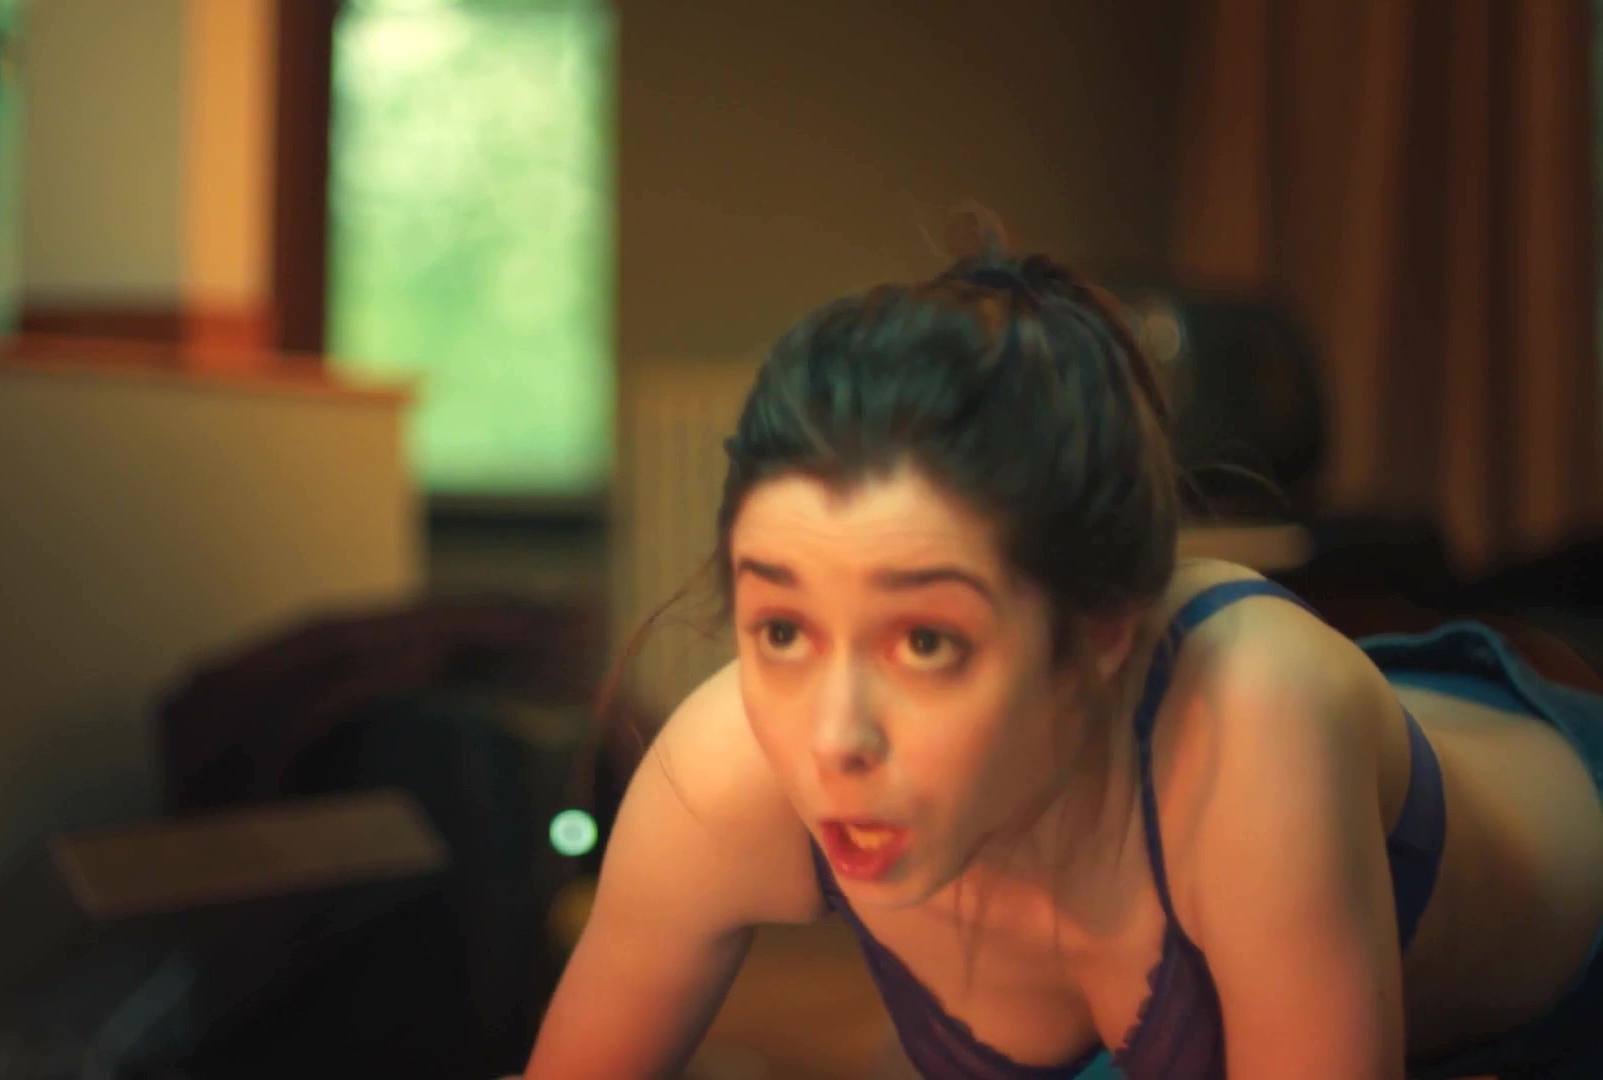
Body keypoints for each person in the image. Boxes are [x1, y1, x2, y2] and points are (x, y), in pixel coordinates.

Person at [519, 210, 1603, 1080]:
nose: (832, 739)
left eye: (927, 641)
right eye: (783, 629)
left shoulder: (1254, 713)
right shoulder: (726, 773)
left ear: (1099, 633)